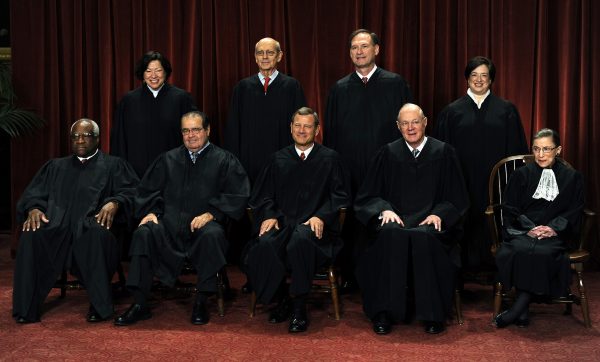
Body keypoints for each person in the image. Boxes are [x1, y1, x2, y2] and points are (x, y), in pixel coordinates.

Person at [114, 111, 250, 326]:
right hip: (168, 228)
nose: (191, 135)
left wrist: (213, 214)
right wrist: (152, 212)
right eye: (186, 131)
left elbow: (237, 195)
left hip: (203, 229)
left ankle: (201, 300)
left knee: (212, 235)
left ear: (207, 131)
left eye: (196, 130)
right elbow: (147, 191)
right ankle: (140, 303)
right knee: (144, 232)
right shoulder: (168, 159)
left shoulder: (224, 160)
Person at [354, 104, 469, 335]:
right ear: (398, 126)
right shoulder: (387, 153)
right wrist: (384, 210)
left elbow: (458, 198)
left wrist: (439, 214)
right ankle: (384, 312)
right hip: (396, 222)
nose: (410, 127)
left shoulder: (444, 152)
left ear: (425, 122)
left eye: (415, 122)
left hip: (430, 223)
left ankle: (433, 315)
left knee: (427, 237)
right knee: (389, 235)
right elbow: (367, 196)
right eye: (404, 123)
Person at [13, 119, 139, 323]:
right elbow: (33, 195)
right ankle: (26, 308)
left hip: (92, 227)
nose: (80, 140)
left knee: (99, 235)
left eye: (86, 135)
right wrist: (34, 208)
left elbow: (133, 193)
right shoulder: (55, 166)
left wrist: (115, 202)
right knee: (31, 234)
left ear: (97, 139)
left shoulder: (114, 165)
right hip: (56, 227)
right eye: (75, 136)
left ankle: (99, 305)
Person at [244, 107, 350, 333]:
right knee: (264, 244)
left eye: (308, 126)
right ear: (291, 128)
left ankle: (299, 308)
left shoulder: (330, 159)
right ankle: (282, 299)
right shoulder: (277, 159)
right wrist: (269, 215)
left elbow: (340, 196)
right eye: (298, 126)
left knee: (300, 241)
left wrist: (321, 215)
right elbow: (262, 196)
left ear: (317, 130)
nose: (302, 130)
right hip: (283, 223)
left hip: (314, 229)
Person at [324, 29, 413, 289]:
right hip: (349, 167)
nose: (359, 52)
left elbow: (408, 128)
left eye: (364, 46)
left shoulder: (395, 84)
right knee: (351, 220)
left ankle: (387, 275)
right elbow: (331, 134)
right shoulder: (339, 89)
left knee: (385, 217)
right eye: (354, 48)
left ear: (376, 49)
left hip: (387, 168)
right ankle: (351, 275)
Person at [435, 56, 528, 270]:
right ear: (467, 78)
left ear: (491, 79)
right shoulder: (451, 112)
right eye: (474, 75)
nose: (479, 80)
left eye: (484, 75)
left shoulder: (506, 110)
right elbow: (441, 153)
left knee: (494, 222)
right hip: (462, 181)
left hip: (497, 184)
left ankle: (496, 269)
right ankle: (463, 270)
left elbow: (516, 151)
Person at [494, 129, 584, 328]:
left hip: (556, 233)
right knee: (521, 249)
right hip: (524, 231)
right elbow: (510, 207)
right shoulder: (520, 175)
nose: (541, 154)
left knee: (543, 252)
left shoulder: (572, 177)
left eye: (547, 149)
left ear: (558, 150)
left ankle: (519, 308)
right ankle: (522, 308)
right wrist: (529, 228)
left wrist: (553, 228)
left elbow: (575, 209)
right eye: (536, 149)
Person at [225, 37, 306, 183]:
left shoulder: (292, 87)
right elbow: (233, 128)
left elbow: (301, 126)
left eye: (270, 52)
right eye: (260, 53)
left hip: (284, 159)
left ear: (279, 56)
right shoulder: (242, 88)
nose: (265, 57)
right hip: (249, 160)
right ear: (255, 57)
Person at [110, 51, 197, 178]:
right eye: (148, 71)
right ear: (142, 74)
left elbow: (193, 136)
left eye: (158, 70)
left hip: (173, 171)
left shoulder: (182, 99)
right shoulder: (128, 101)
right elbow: (120, 140)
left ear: (165, 72)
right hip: (136, 173)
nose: (153, 75)